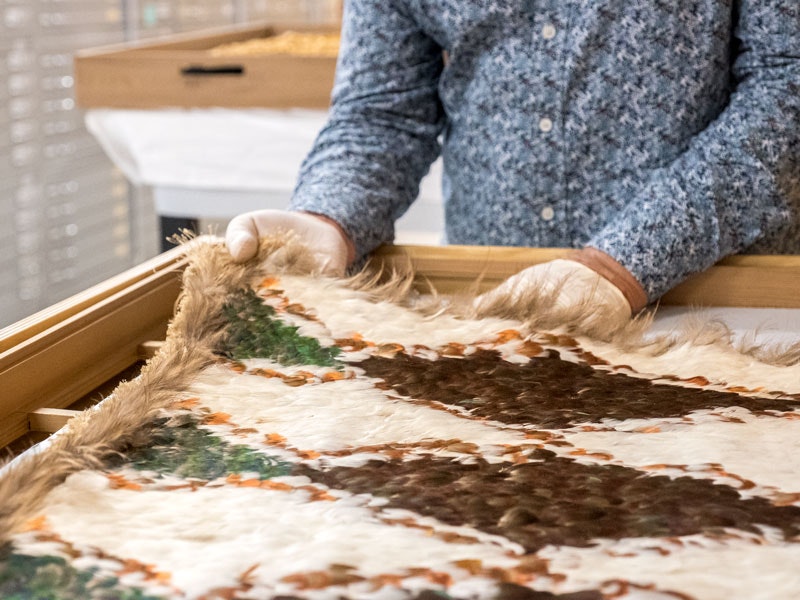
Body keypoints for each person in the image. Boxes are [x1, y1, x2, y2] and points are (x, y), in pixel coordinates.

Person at [226, 1, 800, 329]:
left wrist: (627, 263)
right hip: (496, 311)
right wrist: (329, 215)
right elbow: (383, 108)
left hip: (711, 309)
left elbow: (786, 88)